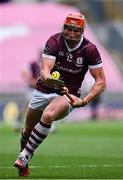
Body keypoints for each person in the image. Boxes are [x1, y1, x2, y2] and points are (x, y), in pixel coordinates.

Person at [14, 12, 106, 176]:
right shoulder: (54, 40)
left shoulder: (90, 49)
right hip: (43, 90)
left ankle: (25, 155)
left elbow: (101, 82)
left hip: (67, 96)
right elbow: (45, 70)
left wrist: (84, 101)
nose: (71, 33)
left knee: (48, 115)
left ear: (82, 30)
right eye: (68, 28)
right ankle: (25, 163)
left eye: (76, 30)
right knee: (27, 130)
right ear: (64, 27)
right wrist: (52, 81)